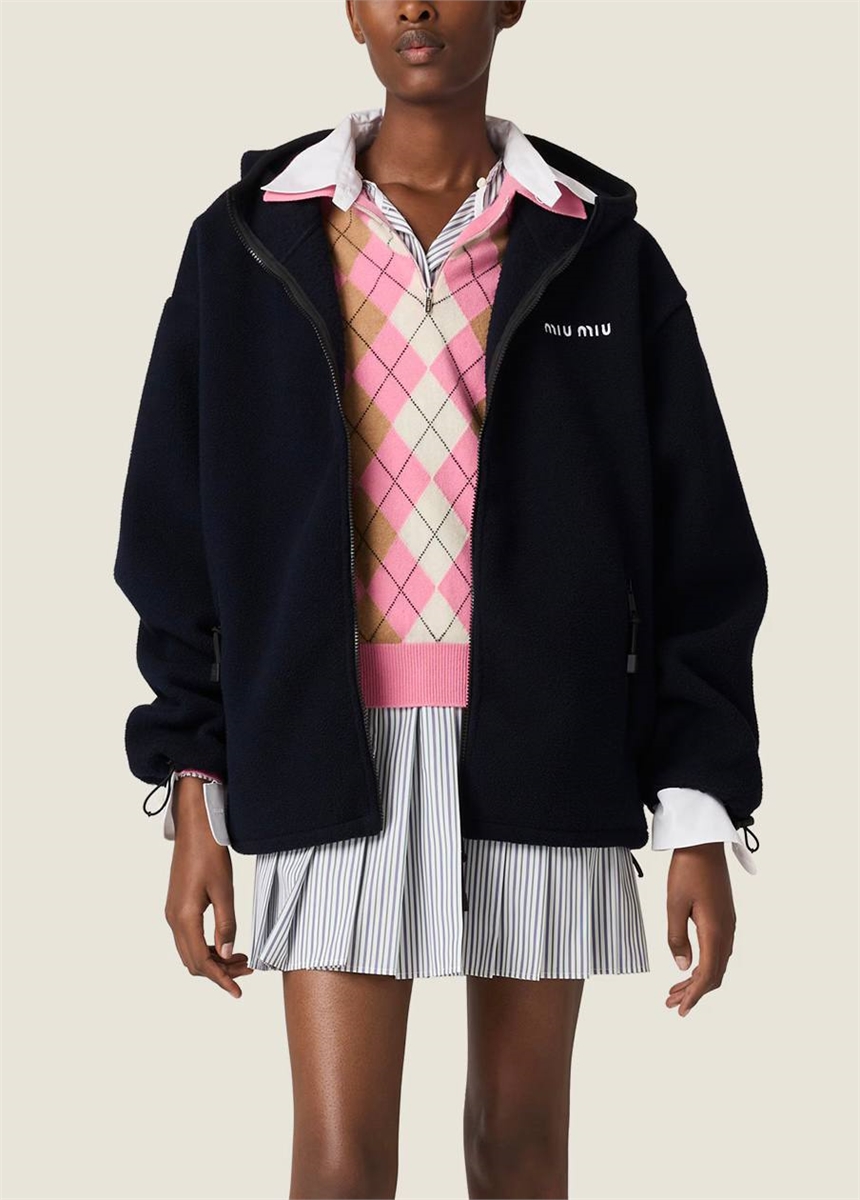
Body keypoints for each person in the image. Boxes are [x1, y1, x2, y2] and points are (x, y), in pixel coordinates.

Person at [113, 2, 768, 1195]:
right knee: (339, 1162)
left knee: (519, 1151)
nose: (415, 5)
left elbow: (696, 552)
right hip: (322, 745)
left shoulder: (599, 249)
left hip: (548, 743)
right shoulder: (247, 242)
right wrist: (193, 786)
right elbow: (177, 537)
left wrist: (695, 809)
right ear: (351, 10)